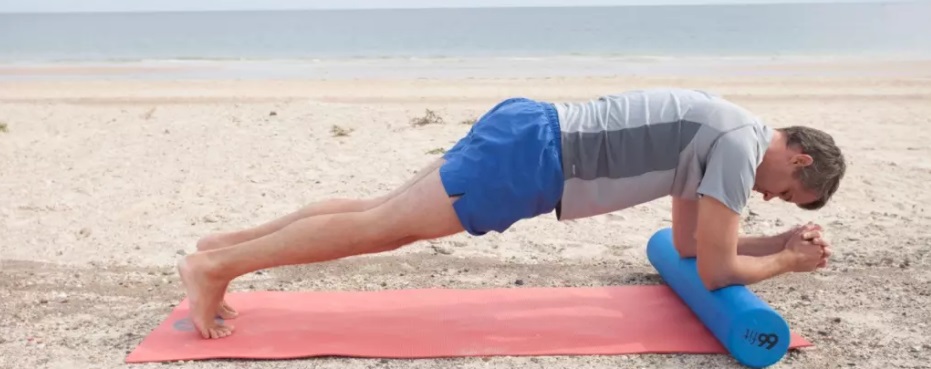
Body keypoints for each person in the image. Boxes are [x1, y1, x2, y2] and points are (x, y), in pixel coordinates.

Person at [178, 88, 846, 339]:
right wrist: (787, 258)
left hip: (530, 132)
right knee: (382, 227)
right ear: (801, 162)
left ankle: (223, 246)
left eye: (784, 208)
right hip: (535, 160)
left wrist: (774, 240)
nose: (769, 199)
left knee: (378, 211)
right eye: (786, 194)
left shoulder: (725, 133)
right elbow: (713, 273)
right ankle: (216, 266)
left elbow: (691, 245)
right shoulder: (739, 146)